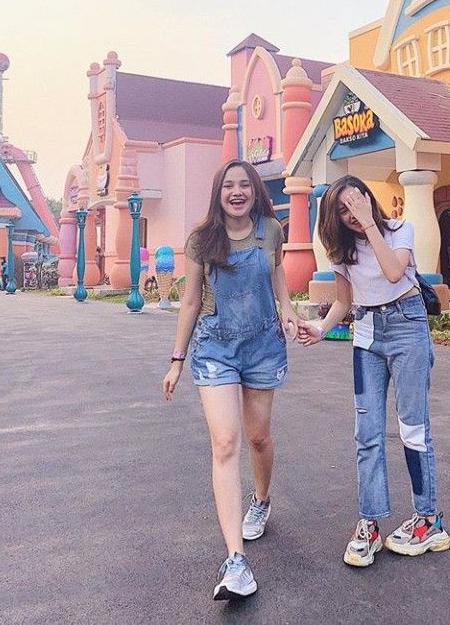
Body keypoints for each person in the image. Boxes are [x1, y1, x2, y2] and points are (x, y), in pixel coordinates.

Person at [162, 159, 299, 601]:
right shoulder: (203, 239)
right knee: (225, 444)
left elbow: (277, 273)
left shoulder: (270, 230)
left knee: (259, 439)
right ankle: (236, 562)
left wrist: (288, 308)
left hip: (263, 345)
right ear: (218, 192)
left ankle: (260, 501)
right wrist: (177, 360)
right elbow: (188, 302)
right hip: (215, 348)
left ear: (254, 190)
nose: (236, 191)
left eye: (244, 185)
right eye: (228, 185)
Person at [298, 175, 450, 567]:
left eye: (356, 204)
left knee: (412, 428)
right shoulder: (342, 251)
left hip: (407, 329)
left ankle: (429, 519)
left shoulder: (400, 230)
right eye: (343, 210)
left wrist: (369, 223)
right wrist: (320, 328)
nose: (351, 215)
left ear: (369, 199)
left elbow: (393, 273)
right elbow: (345, 301)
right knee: (366, 434)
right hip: (366, 337)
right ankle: (369, 523)